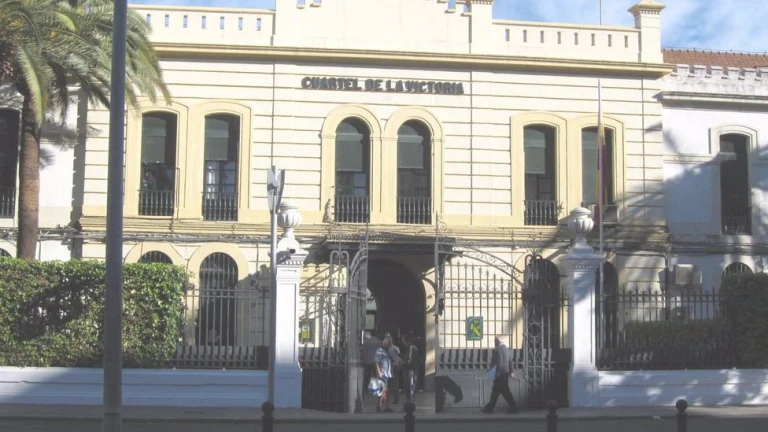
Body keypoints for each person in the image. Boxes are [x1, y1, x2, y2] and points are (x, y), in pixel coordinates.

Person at [482, 335, 519, 414]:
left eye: (495, 340)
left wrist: (491, 372)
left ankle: (514, 408)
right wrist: (511, 371)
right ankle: (489, 408)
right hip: (504, 373)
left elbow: (497, 363)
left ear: (498, 341)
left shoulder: (498, 349)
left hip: (500, 374)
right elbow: (510, 361)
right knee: (495, 392)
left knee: (505, 392)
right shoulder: (507, 349)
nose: (494, 342)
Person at [373, 337, 394, 412]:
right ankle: (379, 406)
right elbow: (376, 362)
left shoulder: (387, 351)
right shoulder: (379, 351)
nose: (390, 345)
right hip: (383, 373)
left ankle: (386, 406)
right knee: (382, 390)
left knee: (387, 391)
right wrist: (378, 372)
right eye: (389, 343)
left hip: (388, 373)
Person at [362, 331, 381, 396]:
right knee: (377, 375)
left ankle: (367, 388)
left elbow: (365, 352)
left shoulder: (367, 342)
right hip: (376, 361)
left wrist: (364, 359)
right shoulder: (379, 342)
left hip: (368, 361)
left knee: (368, 375)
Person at [402, 334, 420, 403]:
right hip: (410, 369)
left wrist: (403, 362)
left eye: (403, 341)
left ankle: (410, 400)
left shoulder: (411, 348)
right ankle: (410, 399)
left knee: (410, 385)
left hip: (410, 369)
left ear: (407, 341)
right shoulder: (410, 348)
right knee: (410, 385)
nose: (403, 343)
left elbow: (410, 359)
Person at [387, 335, 402, 404]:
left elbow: (399, 357)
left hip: (394, 366)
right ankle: (387, 398)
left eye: (390, 340)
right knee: (388, 383)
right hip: (387, 367)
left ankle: (396, 398)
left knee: (394, 383)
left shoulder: (395, 348)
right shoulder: (385, 348)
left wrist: (399, 365)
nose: (389, 341)